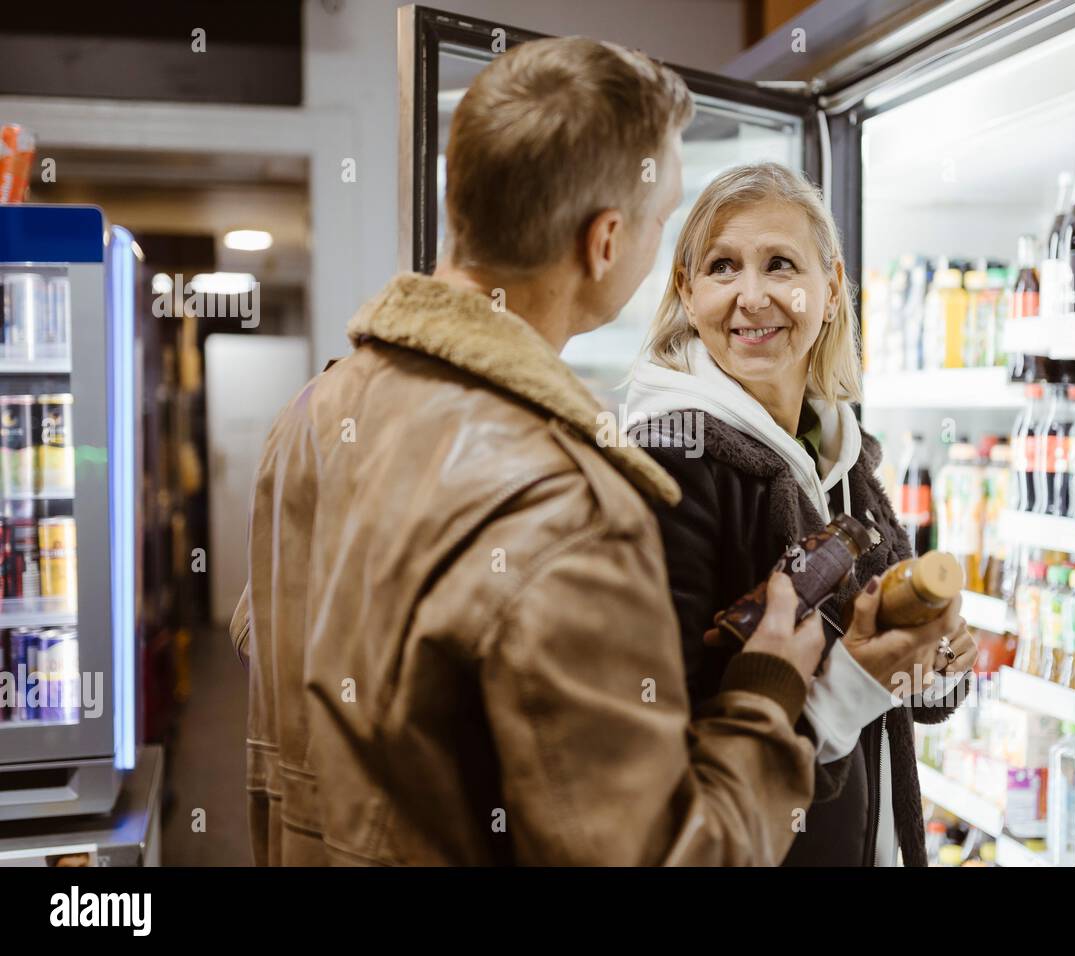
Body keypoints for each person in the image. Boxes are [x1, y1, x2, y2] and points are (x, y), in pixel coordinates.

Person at [227, 39, 828, 866]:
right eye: (666, 220)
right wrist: (766, 695)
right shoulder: (568, 502)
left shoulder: (315, 411)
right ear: (606, 241)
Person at [626, 161, 977, 866]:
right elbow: (664, 746)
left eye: (780, 265)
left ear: (829, 289)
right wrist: (857, 680)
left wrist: (936, 661)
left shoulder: (846, 461)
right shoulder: (667, 465)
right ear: (687, 296)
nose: (752, 297)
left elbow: (911, 698)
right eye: (723, 267)